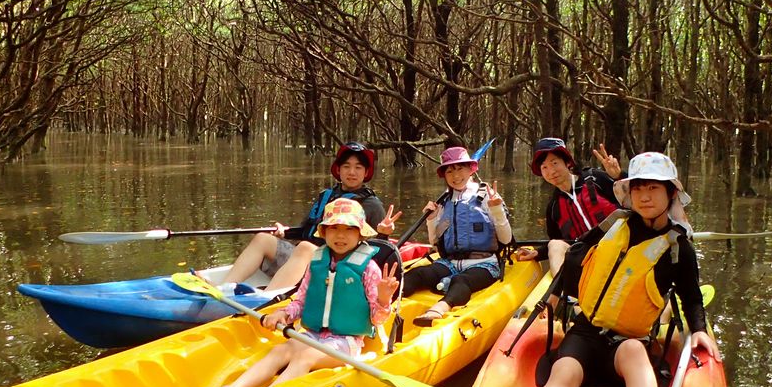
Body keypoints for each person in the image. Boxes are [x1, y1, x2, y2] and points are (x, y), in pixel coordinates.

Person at [504, 152, 721, 387]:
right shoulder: (612, 225)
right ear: (629, 193)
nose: (644, 196)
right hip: (586, 332)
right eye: (638, 189)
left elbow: (691, 295)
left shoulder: (678, 248)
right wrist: (550, 299)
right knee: (563, 370)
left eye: (653, 188)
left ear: (670, 193)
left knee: (635, 352)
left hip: (628, 340)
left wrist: (700, 328)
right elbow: (575, 257)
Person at [200, 198, 399, 387]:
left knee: (304, 357)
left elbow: (377, 320)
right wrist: (283, 314)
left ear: (360, 233)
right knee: (281, 349)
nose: (340, 235)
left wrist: (384, 299)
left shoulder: (369, 269)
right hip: (312, 335)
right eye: (334, 228)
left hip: (346, 343)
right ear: (324, 232)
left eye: (349, 229)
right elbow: (301, 301)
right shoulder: (317, 261)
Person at [220, 142, 401, 292]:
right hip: (303, 258)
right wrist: (285, 233)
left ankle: (266, 300)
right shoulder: (326, 195)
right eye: (346, 166)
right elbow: (307, 230)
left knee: (306, 247)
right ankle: (224, 289)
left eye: (358, 168)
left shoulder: (372, 204)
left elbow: (378, 253)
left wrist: (383, 234)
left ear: (366, 172)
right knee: (263, 239)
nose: (352, 172)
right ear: (338, 170)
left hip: (336, 269)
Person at [402, 145, 513, 327]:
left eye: (460, 168)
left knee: (460, 281)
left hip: (484, 263)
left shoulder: (487, 196)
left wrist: (497, 211)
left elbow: (506, 239)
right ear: (444, 175)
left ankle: (439, 309)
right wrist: (431, 219)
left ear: (471, 169)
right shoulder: (444, 201)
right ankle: (384, 299)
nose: (455, 175)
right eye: (449, 170)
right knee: (419, 273)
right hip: (450, 262)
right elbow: (435, 244)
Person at [514, 137, 622, 275]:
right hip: (586, 260)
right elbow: (559, 242)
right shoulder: (553, 207)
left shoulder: (596, 179)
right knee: (554, 244)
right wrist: (537, 253)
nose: (551, 171)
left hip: (618, 249)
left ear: (567, 163)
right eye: (544, 167)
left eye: (554, 163)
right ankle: (564, 292)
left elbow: (635, 201)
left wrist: (619, 176)